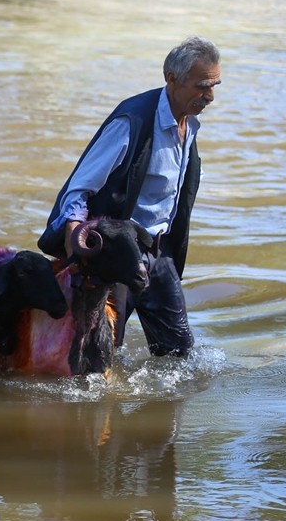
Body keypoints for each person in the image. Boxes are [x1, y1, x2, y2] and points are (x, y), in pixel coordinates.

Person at [37, 36, 221, 356]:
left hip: (159, 254)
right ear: (172, 79)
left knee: (180, 355)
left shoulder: (189, 125)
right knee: (99, 357)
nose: (210, 96)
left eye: (215, 85)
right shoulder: (132, 121)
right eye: (203, 85)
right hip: (118, 255)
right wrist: (73, 237)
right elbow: (79, 187)